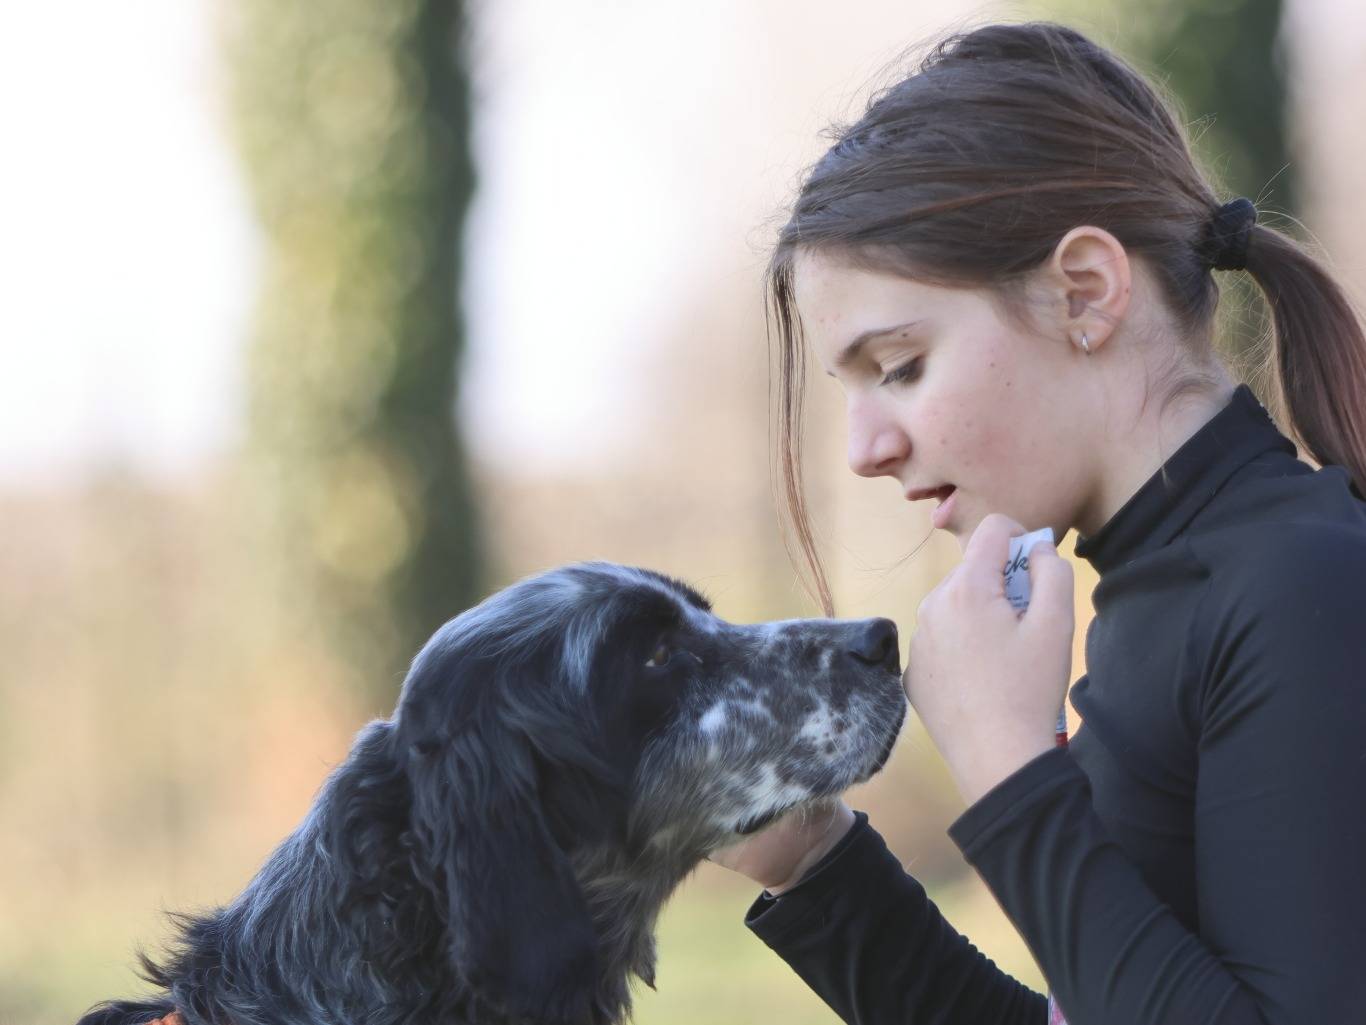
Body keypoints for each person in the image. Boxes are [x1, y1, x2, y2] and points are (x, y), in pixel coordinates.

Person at [710, 21, 1366, 1025]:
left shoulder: (1302, 588)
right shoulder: (1166, 598)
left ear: (1085, 293)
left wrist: (1008, 769)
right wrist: (815, 865)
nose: (864, 449)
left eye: (900, 367)